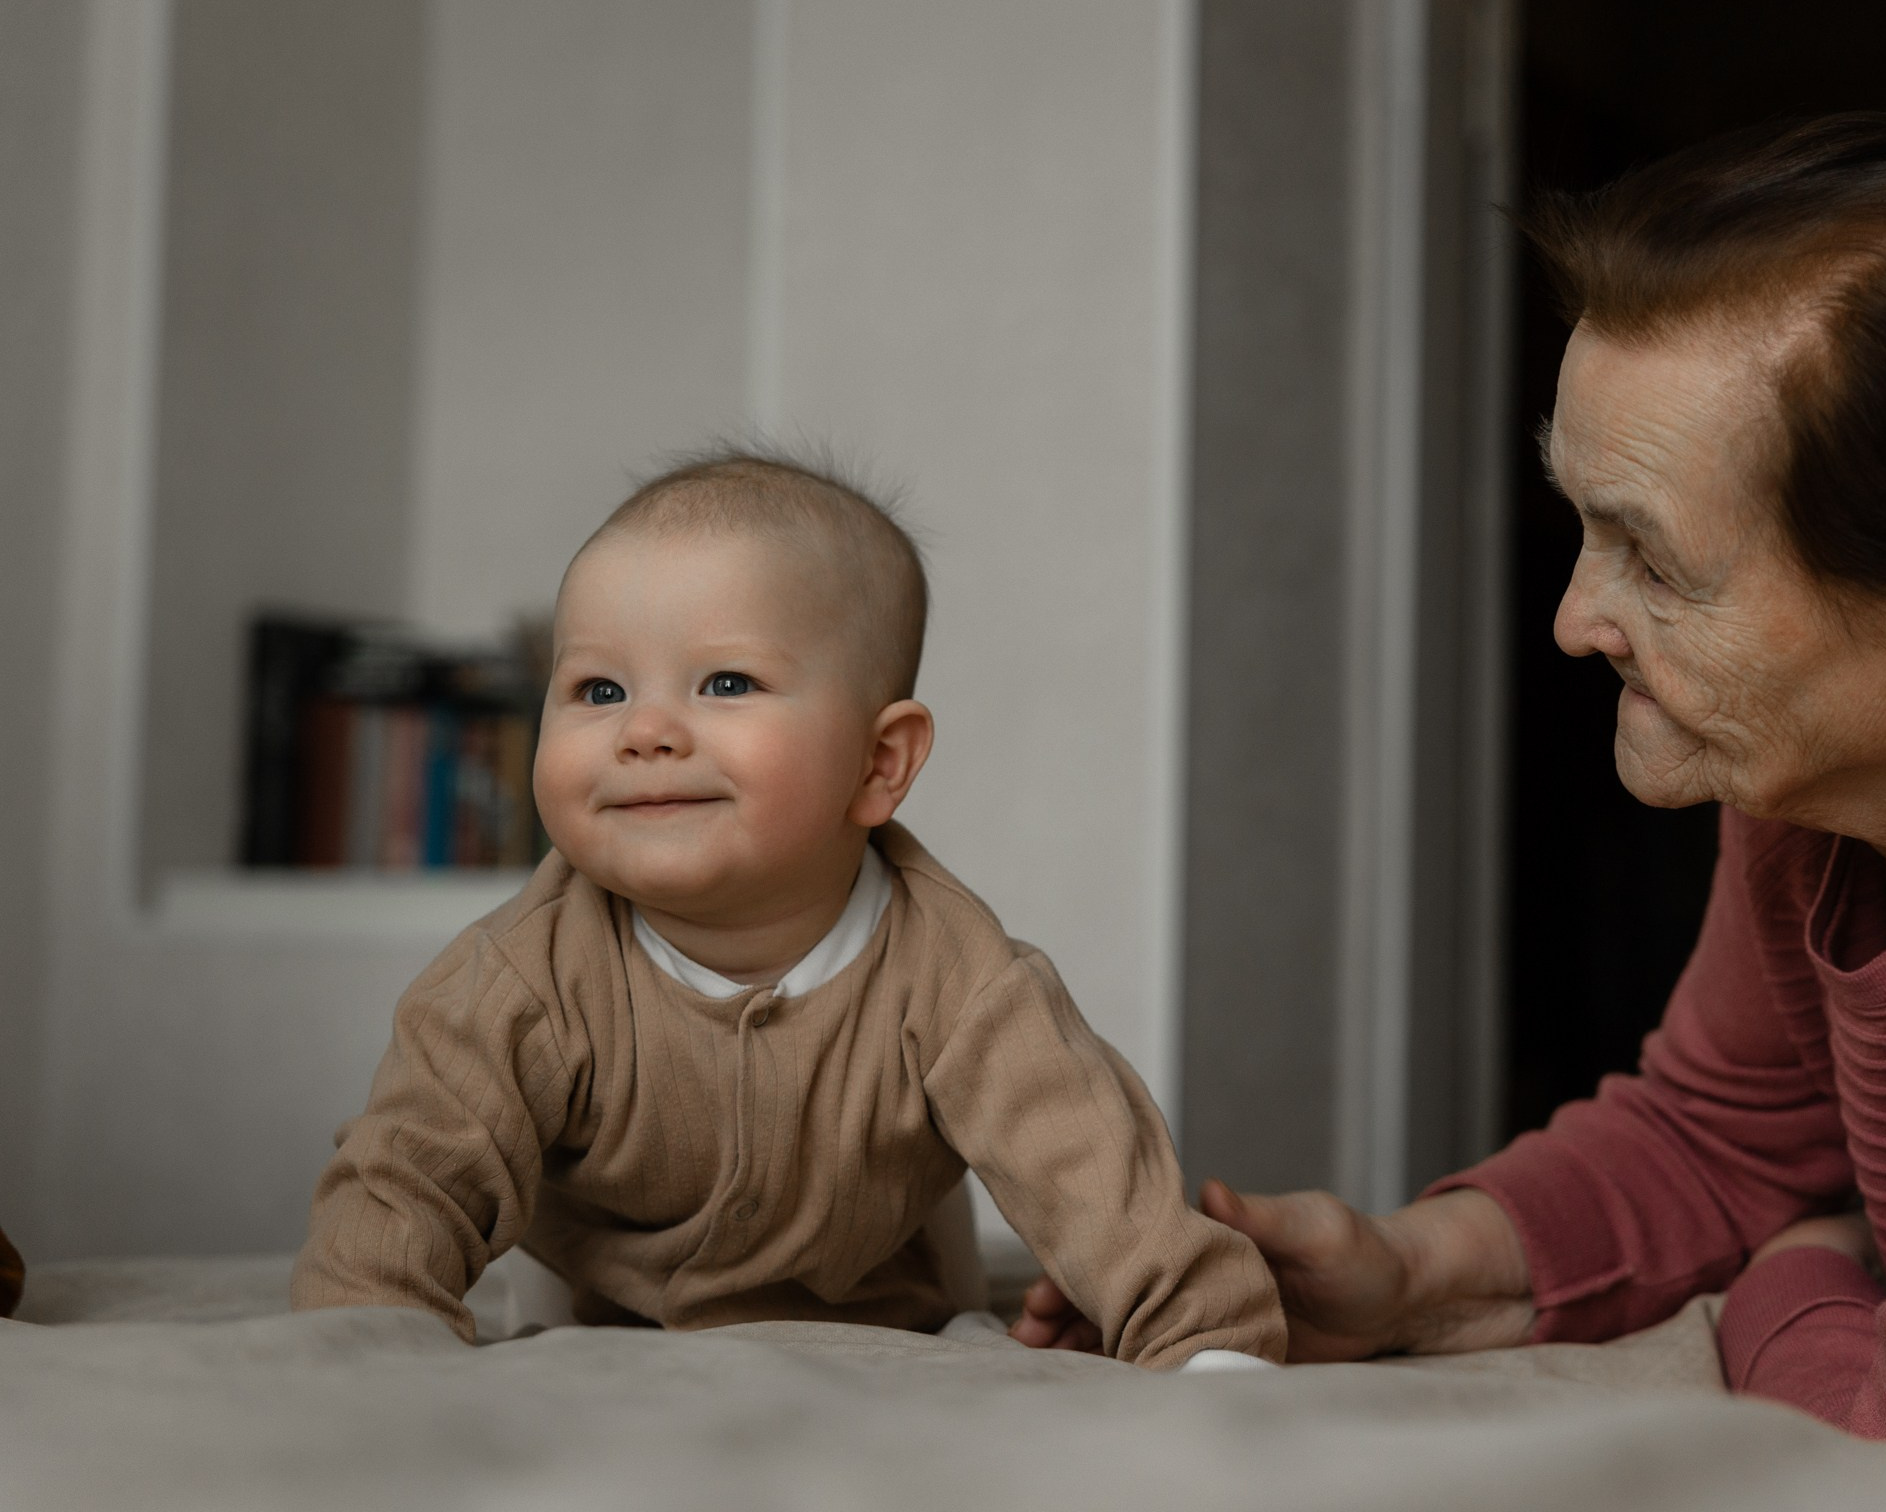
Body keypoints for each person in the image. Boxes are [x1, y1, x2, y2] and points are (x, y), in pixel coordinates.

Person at [1016, 113, 1886, 1454]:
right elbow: (1726, 1125)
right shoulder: (1835, 743)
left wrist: (1801, 1277)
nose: (1573, 620)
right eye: (1581, 525)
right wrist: (1411, 1269)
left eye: (1656, 563)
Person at [293, 451, 1282, 1370]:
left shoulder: (958, 975)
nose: (644, 730)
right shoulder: (520, 978)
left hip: (892, 1320)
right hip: (597, 1326)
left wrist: (1205, 1344)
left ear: (879, 762)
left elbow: (1096, 1175)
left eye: (725, 681)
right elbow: (409, 1182)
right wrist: (363, 1354)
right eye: (598, 687)